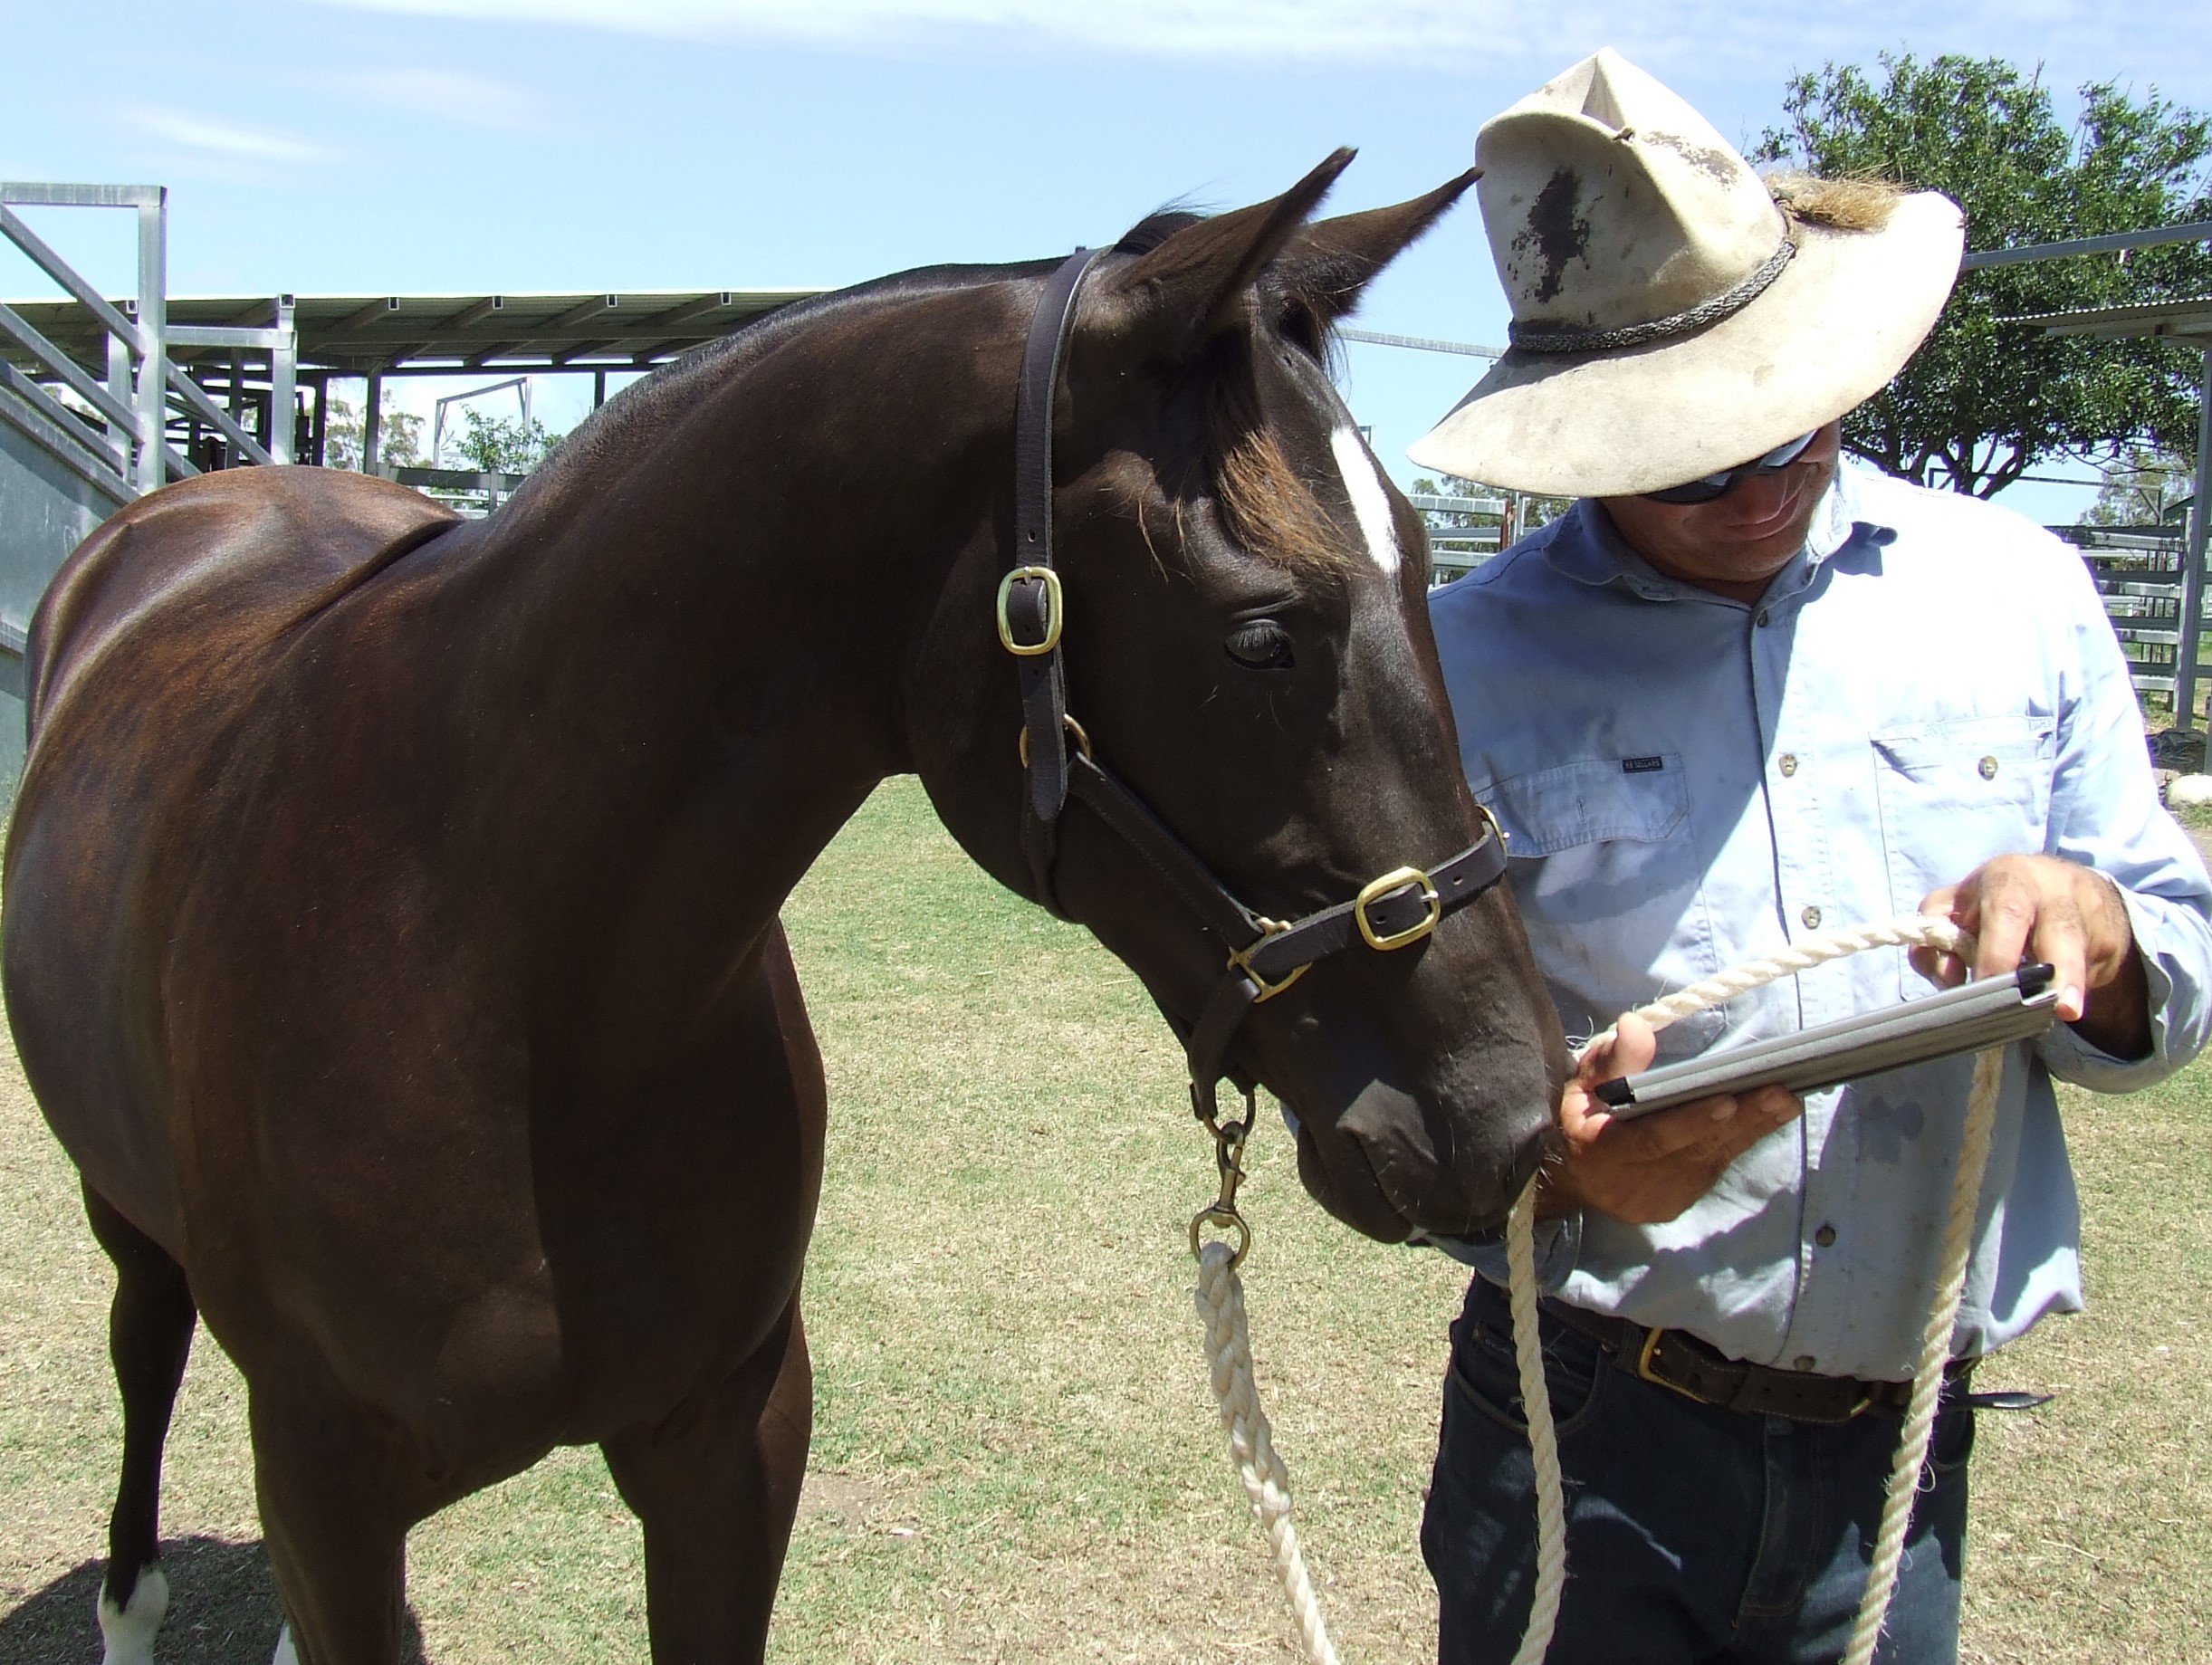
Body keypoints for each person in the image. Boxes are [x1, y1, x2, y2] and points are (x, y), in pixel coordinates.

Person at [1406, 49, 2212, 1665]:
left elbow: (2174, 974)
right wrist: (1559, 1166)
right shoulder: (1455, 670)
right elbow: (1394, 1076)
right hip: (1581, 1426)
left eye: (1795, 424)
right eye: (1694, 455)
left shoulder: (2022, 595)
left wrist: (2102, 931)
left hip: (1899, 1461)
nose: (1762, 484)